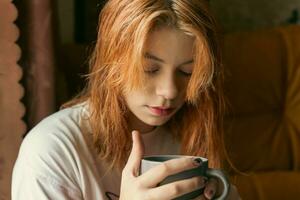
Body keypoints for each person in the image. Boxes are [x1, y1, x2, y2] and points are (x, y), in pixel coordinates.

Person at [12, 0, 241, 199]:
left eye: (187, 72)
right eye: (149, 69)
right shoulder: (53, 151)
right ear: (111, 62)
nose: (170, 91)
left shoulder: (191, 132)